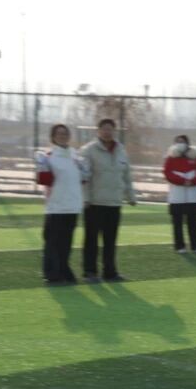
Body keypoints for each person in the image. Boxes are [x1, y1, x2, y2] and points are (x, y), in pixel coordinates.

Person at [79, 118, 137, 282]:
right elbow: (84, 177)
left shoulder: (121, 150)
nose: (107, 132)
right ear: (98, 131)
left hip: (114, 202)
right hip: (95, 203)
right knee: (91, 239)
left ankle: (110, 272)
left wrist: (131, 196)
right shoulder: (88, 150)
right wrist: (86, 198)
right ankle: (90, 271)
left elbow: (126, 175)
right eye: (104, 129)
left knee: (110, 240)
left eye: (110, 129)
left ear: (114, 131)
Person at [35, 123, 89, 284]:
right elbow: (44, 180)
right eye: (59, 134)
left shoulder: (75, 156)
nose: (63, 136)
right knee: (52, 242)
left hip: (72, 206)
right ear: (53, 137)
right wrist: (42, 167)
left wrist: (85, 170)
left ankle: (64, 270)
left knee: (66, 243)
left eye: (65, 133)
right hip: (56, 206)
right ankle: (52, 274)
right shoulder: (49, 156)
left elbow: (83, 179)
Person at [163, 134, 196, 253]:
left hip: (192, 197)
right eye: (178, 142)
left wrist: (192, 181)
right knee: (177, 223)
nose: (180, 144)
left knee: (193, 222)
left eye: (182, 141)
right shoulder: (170, 158)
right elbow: (167, 173)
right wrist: (182, 181)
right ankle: (179, 246)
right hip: (176, 196)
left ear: (187, 143)